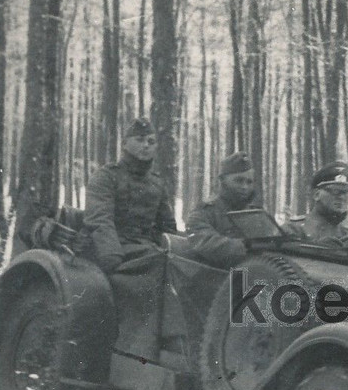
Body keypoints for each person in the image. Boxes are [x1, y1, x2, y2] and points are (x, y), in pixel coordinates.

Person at [84, 117, 177, 361]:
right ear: (125, 143)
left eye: (151, 141)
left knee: (178, 265)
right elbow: (99, 219)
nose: (146, 145)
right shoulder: (106, 177)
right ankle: (135, 351)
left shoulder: (156, 183)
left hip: (145, 249)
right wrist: (111, 255)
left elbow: (167, 226)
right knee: (158, 265)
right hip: (114, 247)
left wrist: (176, 247)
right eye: (139, 140)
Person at [185, 151, 258, 268]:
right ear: (223, 181)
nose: (245, 187)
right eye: (238, 180)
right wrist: (249, 247)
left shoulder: (256, 214)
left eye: (249, 182)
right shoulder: (204, 212)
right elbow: (206, 243)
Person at [283, 163, 348, 243]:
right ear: (316, 195)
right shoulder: (293, 231)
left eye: (345, 192)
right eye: (335, 191)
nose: (342, 197)